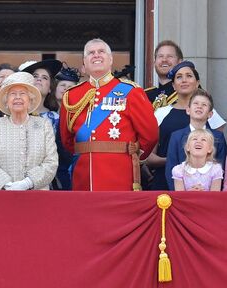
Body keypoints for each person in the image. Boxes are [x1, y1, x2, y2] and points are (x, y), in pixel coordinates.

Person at [60, 38, 158, 191]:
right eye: (91, 53)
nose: (96, 55)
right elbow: (67, 140)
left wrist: (135, 155)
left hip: (119, 174)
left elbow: (150, 134)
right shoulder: (72, 95)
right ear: (84, 63)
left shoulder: (131, 91)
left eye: (101, 52)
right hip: (82, 175)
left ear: (111, 59)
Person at [146, 61, 225, 190]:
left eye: (189, 76)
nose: (184, 80)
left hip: (208, 188)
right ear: (173, 85)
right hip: (168, 182)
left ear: (197, 82)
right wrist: (175, 159)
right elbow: (149, 156)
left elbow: (220, 154)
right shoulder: (161, 113)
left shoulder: (210, 113)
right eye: (179, 77)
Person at [0, 72, 58, 190]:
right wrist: (6, 185)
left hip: (37, 198)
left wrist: (28, 182)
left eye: (22, 93)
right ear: (6, 100)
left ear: (30, 99)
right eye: (12, 94)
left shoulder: (44, 125)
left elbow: (51, 162)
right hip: (1, 196)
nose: (17, 97)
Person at [23, 59, 73, 190]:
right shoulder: (13, 116)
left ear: (51, 88)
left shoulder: (57, 119)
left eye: (44, 77)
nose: (39, 79)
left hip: (49, 184)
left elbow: (63, 158)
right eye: (35, 76)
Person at [165, 89, 226, 190]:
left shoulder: (218, 137)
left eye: (204, 105)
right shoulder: (176, 136)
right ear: (188, 110)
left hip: (210, 196)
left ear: (210, 114)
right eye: (196, 103)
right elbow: (170, 168)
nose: (199, 106)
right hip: (182, 196)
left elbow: (222, 167)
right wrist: (180, 195)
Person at [145, 40, 182, 110]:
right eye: (160, 56)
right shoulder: (145, 95)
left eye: (170, 56)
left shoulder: (188, 93)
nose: (164, 60)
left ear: (179, 62)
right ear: (154, 62)